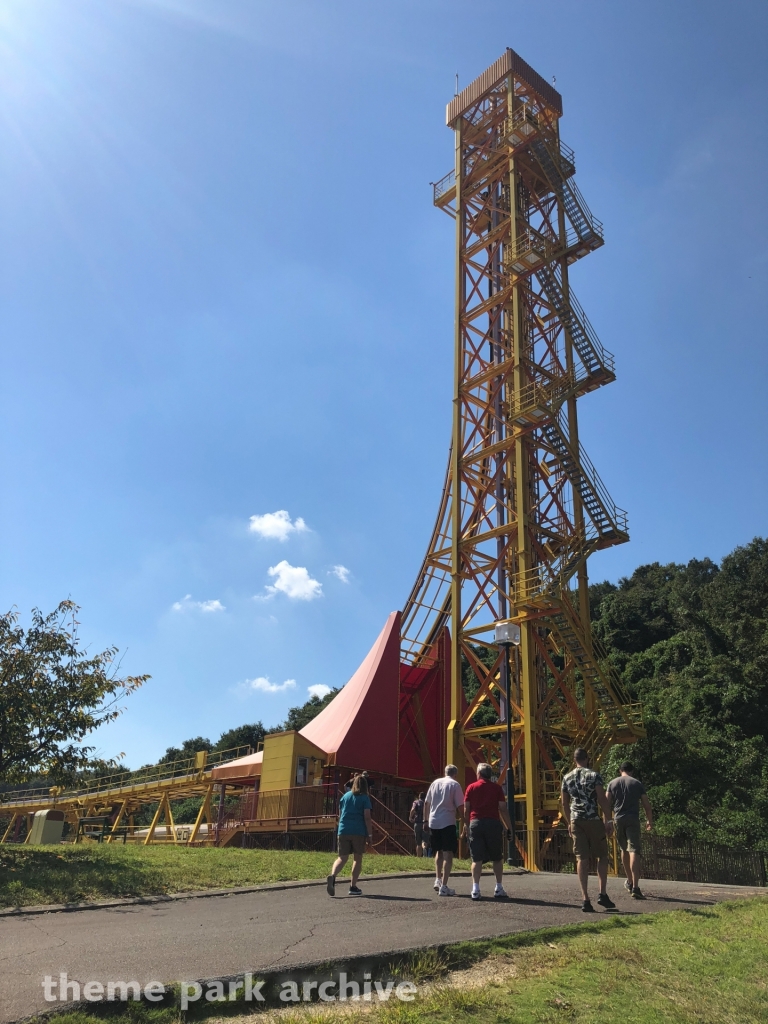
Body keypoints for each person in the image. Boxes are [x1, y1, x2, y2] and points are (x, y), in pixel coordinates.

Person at [561, 748, 616, 913]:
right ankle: (602, 893)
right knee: (602, 855)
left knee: (581, 858)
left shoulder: (566, 777)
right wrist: (609, 819)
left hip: (576, 820)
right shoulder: (594, 775)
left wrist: (569, 821)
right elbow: (601, 798)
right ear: (587, 758)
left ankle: (585, 898)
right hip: (592, 819)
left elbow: (564, 803)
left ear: (574, 759)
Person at [463, 763, 513, 900]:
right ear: (490, 774)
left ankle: (476, 889)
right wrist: (509, 827)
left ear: (479, 773)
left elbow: (466, 809)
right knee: (497, 857)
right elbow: (502, 808)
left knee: (476, 858)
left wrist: (467, 825)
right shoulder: (496, 788)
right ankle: (498, 887)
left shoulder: (471, 787)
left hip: (476, 823)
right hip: (492, 823)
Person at [607, 760, 653, 899]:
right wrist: (649, 820)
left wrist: (608, 821)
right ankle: (636, 887)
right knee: (634, 850)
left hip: (618, 819)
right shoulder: (637, 783)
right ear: (631, 771)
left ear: (620, 770)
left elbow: (606, 803)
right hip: (633, 818)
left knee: (623, 849)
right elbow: (646, 804)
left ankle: (629, 881)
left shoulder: (612, 783)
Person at [327, 774, 372, 897]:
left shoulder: (345, 797)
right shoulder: (365, 798)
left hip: (343, 830)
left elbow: (341, 815)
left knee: (342, 857)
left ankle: (333, 876)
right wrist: (370, 834)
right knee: (357, 858)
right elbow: (367, 817)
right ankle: (353, 886)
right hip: (358, 831)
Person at [423, 765, 464, 896]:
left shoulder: (435, 783)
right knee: (448, 854)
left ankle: (437, 879)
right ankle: (444, 886)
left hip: (434, 821)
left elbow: (426, 803)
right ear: (455, 774)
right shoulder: (455, 785)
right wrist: (465, 821)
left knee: (438, 851)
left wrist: (425, 820)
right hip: (447, 822)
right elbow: (460, 806)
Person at [409, 791, 427, 857]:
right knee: (424, 840)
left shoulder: (416, 802)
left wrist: (410, 817)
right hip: (426, 823)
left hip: (417, 823)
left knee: (418, 842)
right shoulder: (427, 803)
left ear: (419, 796)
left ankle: (419, 857)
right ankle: (424, 848)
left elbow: (413, 809)